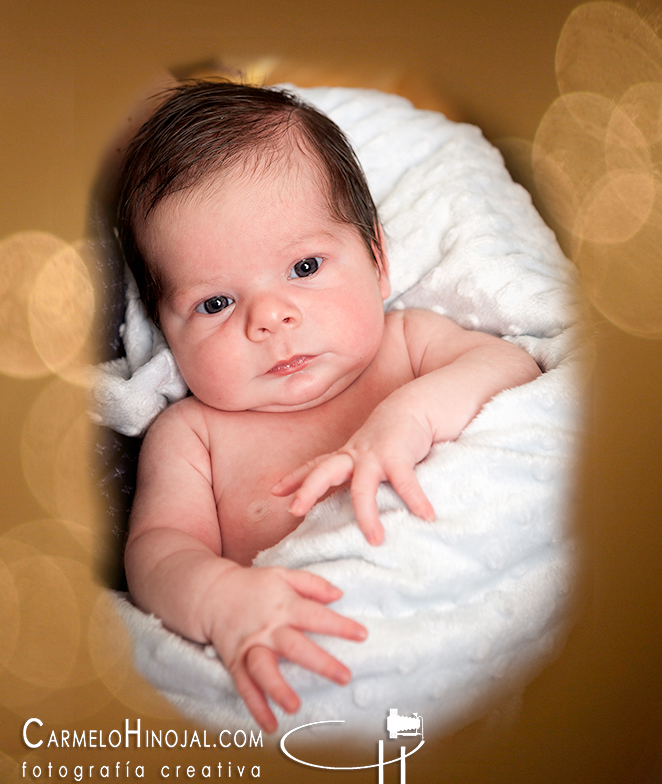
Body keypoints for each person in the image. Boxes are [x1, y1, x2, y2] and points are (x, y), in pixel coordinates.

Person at [117, 80, 541, 732]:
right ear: (165, 332)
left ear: (376, 259)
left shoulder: (408, 345)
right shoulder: (192, 435)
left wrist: (409, 418)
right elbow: (157, 553)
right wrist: (220, 597)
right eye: (215, 303)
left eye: (305, 267)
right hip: (322, 695)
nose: (270, 318)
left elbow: (512, 368)